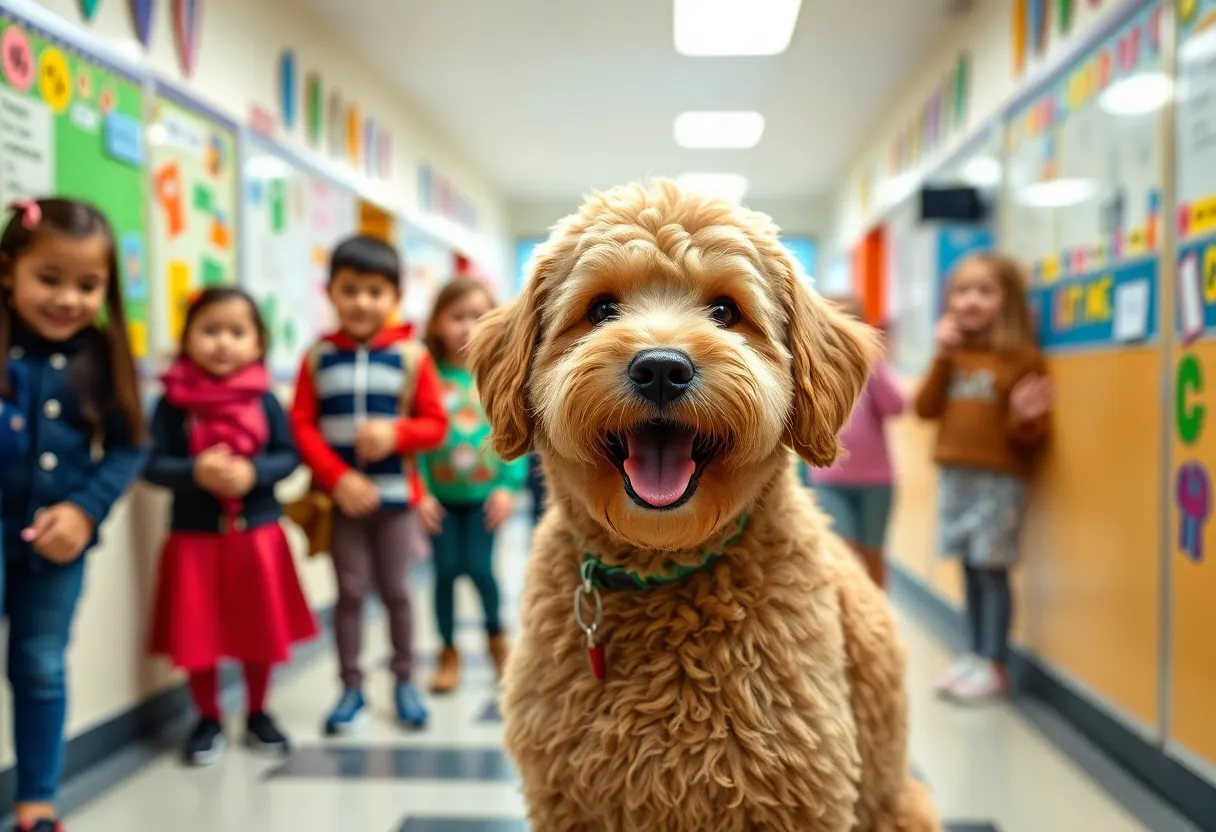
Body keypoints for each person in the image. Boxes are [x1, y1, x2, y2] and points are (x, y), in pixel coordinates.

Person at [0, 199, 148, 832]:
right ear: (8, 271)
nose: (68, 299)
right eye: (49, 279)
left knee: (39, 664)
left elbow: (128, 446)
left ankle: (38, 799)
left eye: (88, 285)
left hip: (58, 546)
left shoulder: (103, 355)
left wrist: (85, 513)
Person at [145, 287, 317, 766]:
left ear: (258, 343)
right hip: (194, 536)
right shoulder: (172, 403)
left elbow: (288, 455)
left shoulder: (265, 399)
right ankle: (207, 717)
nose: (223, 342)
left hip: (257, 533)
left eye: (237, 332)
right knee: (197, 631)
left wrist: (253, 473)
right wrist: (194, 472)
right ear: (188, 339)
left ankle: (259, 711)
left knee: (259, 626)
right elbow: (152, 463)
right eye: (210, 330)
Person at [290, 235, 447, 734]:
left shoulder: (411, 357)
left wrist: (396, 433)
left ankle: (404, 682)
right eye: (350, 289)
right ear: (330, 292)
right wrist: (337, 480)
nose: (362, 302)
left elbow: (434, 424)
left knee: (398, 591)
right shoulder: (317, 358)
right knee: (351, 593)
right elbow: (301, 425)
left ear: (394, 297)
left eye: (375, 292)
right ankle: (350, 687)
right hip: (343, 504)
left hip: (397, 502)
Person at [915, 252, 1053, 704]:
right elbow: (925, 407)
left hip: (1000, 480)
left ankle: (995, 663)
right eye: (962, 290)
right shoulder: (955, 356)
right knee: (969, 566)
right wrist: (941, 354)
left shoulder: (1022, 359)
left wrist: (1023, 417)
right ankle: (974, 654)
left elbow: (1031, 437)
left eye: (985, 291)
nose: (971, 301)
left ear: (1007, 301)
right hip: (956, 474)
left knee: (991, 569)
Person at [416, 278, 527, 694]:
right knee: (444, 573)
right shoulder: (425, 375)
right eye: (457, 316)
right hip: (440, 501)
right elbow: (417, 440)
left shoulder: (496, 375)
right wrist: (420, 491)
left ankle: (496, 641)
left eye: (478, 317)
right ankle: (448, 652)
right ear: (438, 323)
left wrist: (508, 485)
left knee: (481, 571)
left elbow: (514, 430)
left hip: (485, 498)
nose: (468, 326)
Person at [807, 297, 904, 588]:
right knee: (841, 552)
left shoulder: (872, 365)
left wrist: (873, 362)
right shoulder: (817, 368)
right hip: (830, 480)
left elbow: (897, 406)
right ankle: (848, 614)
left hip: (876, 482)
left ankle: (876, 619)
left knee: (872, 553)